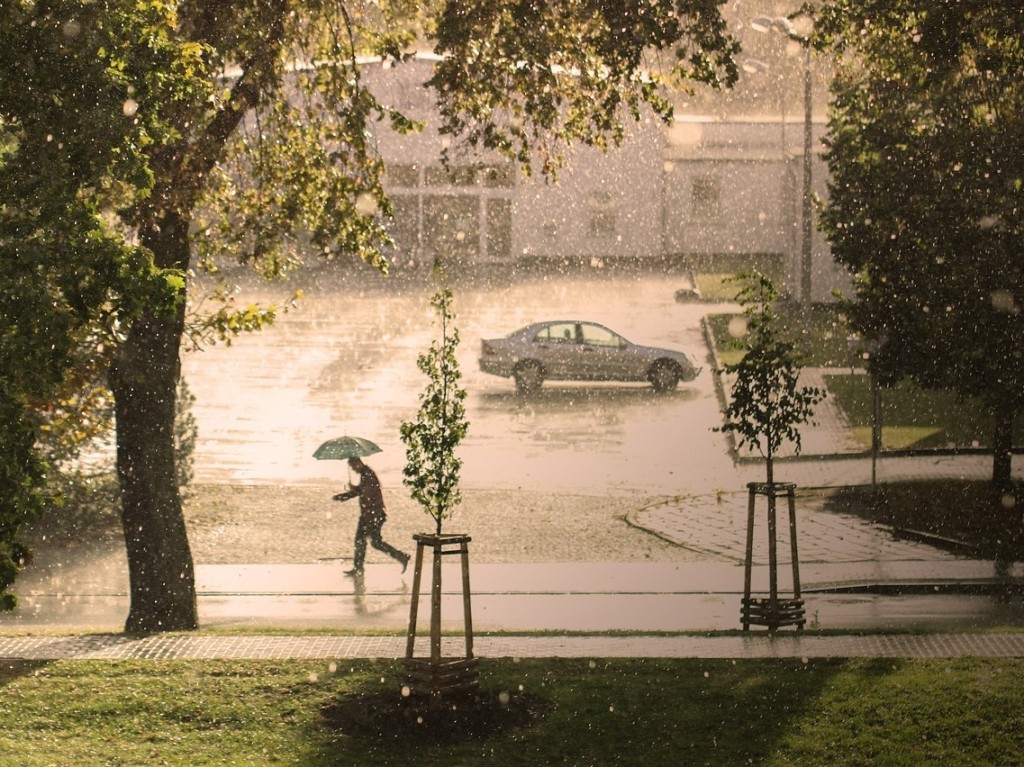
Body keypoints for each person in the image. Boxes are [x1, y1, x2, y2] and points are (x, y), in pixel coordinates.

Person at [332, 456, 410, 576]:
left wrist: (349, 493)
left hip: (373, 515)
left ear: (358, 463)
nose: (353, 469)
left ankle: (401, 557)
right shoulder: (366, 474)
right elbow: (362, 491)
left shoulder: (368, 474)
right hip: (370, 514)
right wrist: (346, 495)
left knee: (371, 542)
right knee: (362, 541)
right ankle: (359, 568)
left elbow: (365, 493)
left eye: (353, 467)